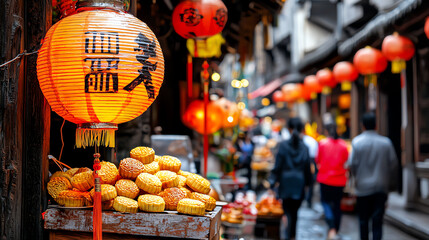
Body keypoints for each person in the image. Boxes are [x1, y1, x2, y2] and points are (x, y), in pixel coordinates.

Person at [348, 112, 398, 240]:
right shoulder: (386, 143)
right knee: (377, 222)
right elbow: (393, 165)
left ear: (362, 125)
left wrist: (354, 182)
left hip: (363, 188)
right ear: (376, 125)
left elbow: (351, 165)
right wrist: (391, 185)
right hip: (380, 187)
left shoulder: (357, 142)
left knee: (363, 221)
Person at [269, 117, 311, 240]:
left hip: (285, 184)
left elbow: (277, 167)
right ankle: (292, 235)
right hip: (299, 184)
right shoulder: (304, 147)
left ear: (289, 129)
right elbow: (307, 168)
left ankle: (288, 234)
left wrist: (272, 183)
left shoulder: (282, 146)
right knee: (295, 213)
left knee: (287, 212)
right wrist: (308, 184)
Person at [316, 122, 349, 240]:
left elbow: (317, 160)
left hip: (325, 179)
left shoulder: (323, 144)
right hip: (339, 180)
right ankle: (335, 229)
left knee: (325, 202)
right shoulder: (343, 145)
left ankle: (331, 224)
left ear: (326, 132)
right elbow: (346, 162)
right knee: (337, 205)